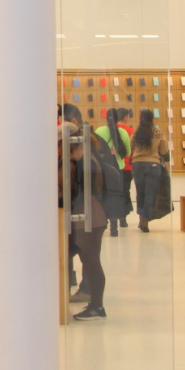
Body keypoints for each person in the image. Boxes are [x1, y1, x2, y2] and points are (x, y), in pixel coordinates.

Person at [61, 123, 106, 321]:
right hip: (82, 217)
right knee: (80, 259)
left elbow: (78, 193)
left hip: (90, 218)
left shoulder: (85, 163)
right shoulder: (80, 161)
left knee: (91, 262)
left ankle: (97, 307)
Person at [94, 107, 133, 235]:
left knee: (103, 196)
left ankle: (102, 223)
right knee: (116, 197)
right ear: (119, 118)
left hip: (103, 169)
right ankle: (114, 229)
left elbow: (95, 148)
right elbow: (127, 152)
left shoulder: (99, 131)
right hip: (118, 169)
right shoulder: (123, 133)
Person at [128, 109, 168, 232]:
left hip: (137, 164)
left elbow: (130, 145)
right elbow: (164, 150)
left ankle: (141, 217)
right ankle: (145, 220)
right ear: (152, 118)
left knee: (140, 193)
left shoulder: (137, 131)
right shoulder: (157, 132)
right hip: (153, 165)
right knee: (150, 194)